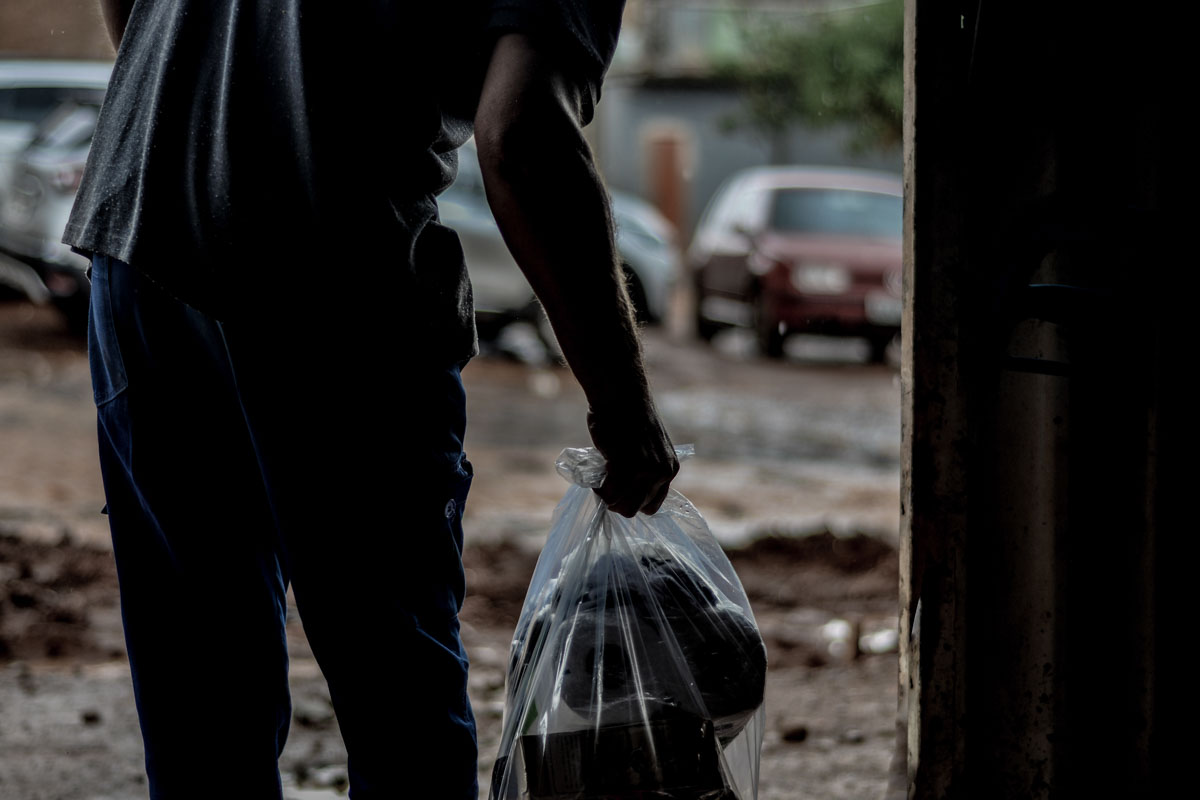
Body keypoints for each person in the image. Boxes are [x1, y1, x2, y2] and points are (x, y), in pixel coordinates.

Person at [64, 1, 678, 798]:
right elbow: (522, 139)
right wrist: (624, 409)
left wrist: (204, 108)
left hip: (144, 226)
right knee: (398, 696)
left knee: (200, 689)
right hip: (330, 264)